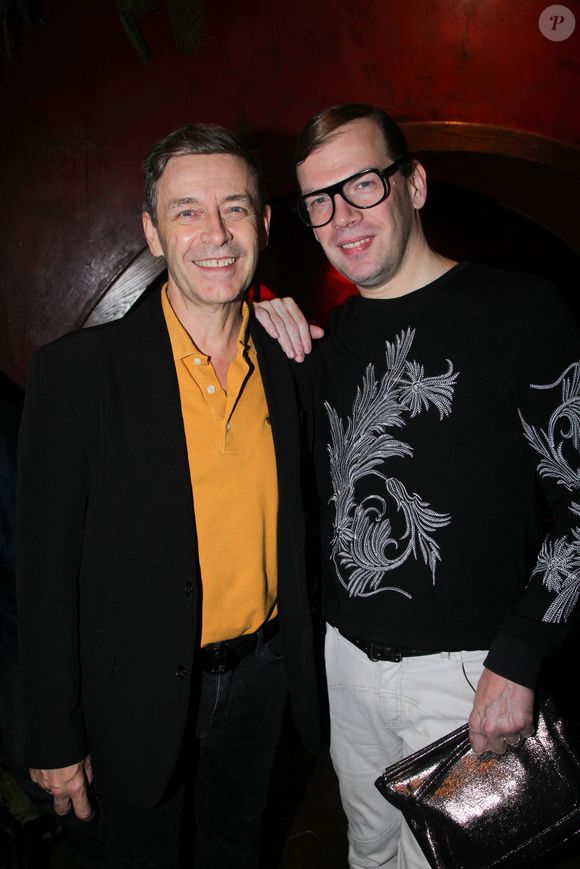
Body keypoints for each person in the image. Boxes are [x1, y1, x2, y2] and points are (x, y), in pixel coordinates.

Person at [254, 102, 580, 869]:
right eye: (319, 202)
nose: (342, 216)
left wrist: (521, 654)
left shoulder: (519, 310)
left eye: (363, 184)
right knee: (370, 852)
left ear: (416, 183)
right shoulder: (329, 343)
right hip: (348, 666)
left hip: (470, 678)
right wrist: (256, 320)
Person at [16, 123, 319, 869]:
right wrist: (53, 733)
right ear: (152, 230)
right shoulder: (78, 376)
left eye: (236, 208)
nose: (215, 233)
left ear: (265, 223)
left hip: (264, 680)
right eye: (187, 211)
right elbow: (45, 576)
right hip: (133, 694)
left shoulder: (296, 360)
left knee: (236, 850)